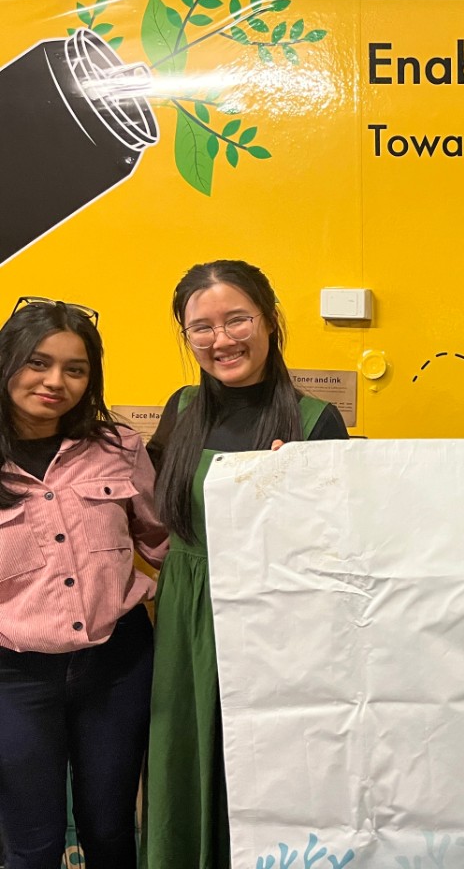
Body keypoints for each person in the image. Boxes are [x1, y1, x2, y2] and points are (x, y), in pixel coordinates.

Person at [141, 261, 348, 869]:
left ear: (270, 320)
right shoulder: (180, 408)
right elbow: (146, 510)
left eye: (237, 320)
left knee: (265, 767)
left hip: (274, 618)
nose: (221, 339)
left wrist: (294, 492)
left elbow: (340, 542)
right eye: (201, 327)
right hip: (185, 613)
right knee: (185, 756)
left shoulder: (315, 420)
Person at [0, 297, 167, 869]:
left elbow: (164, 541)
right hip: (14, 676)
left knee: (112, 830)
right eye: (38, 362)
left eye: (75, 369)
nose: (56, 382)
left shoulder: (119, 447)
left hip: (117, 665)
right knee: (32, 843)